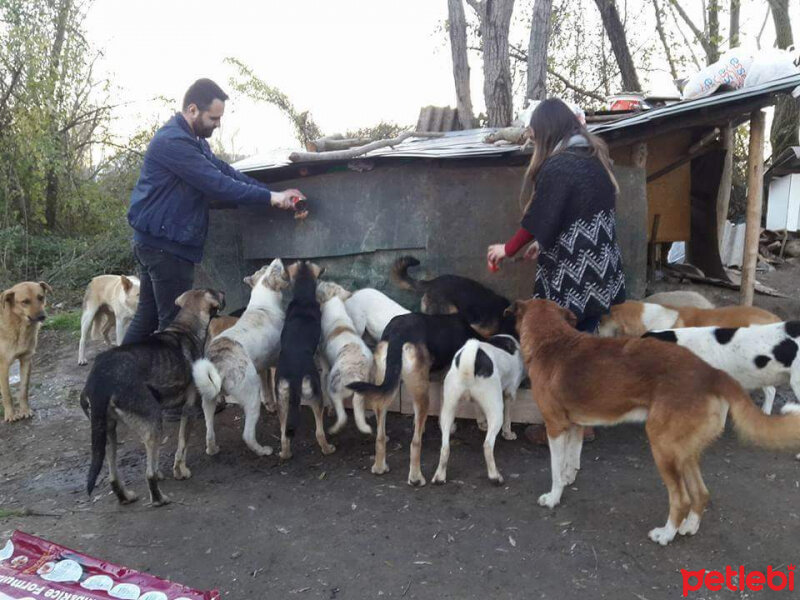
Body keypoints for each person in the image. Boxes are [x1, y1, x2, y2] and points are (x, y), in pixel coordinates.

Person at [487, 98, 626, 443]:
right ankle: (587, 418)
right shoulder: (594, 159)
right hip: (601, 271)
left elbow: (541, 217)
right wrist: (542, 245)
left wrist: (507, 249)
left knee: (560, 353)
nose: (534, 144)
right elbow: (572, 219)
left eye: (535, 137)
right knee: (587, 345)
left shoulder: (560, 166)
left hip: (573, 276)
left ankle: (563, 420)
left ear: (546, 132)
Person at [124, 78, 304, 345]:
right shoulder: (174, 142)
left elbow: (226, 173)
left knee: (148, 318)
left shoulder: (193, 141)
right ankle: (163, 384)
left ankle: (118, 379)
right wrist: (271, 198)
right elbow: (218, 185)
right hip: (165, 247)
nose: (218, 124)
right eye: (213, 118)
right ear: (193, 109)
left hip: (158, 242)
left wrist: (273, 194)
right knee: (175, 326)